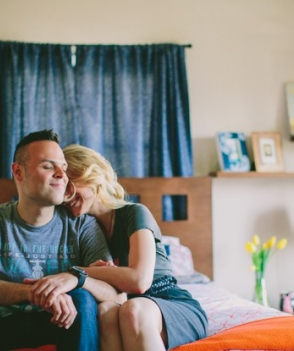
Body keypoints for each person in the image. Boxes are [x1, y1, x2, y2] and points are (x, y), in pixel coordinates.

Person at [0, 130, 121, 351]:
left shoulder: (82, 225)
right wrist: (37, 293)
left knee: (82, 299)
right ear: (19, 172)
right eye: (48, 166)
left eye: (64, 168)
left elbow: (116, 294)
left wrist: (74, 279)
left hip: (62, 321)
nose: (62, 174)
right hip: (2, 324)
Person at [62, 144, 208, 351]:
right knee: (105, 313)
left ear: (92, 177)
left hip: (168, 301)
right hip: (125, 305)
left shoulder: (134, 213)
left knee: (133, 310)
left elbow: (140, 281)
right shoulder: (83, 230)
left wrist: (79, 273)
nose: (65, 196)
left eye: (71, 185)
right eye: (61, 188)